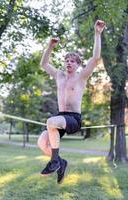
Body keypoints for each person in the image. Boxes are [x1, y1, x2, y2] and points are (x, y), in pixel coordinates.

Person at [37, 20, 105, 184]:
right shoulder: (59, 76)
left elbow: (95, 58)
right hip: (61, 118)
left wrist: (97, 33)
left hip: (73, 119)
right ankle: (60, 162)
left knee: (51, 121)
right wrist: (50, 47)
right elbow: (44, 64)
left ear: (78, 64)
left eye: (72, 60)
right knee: (41, 143)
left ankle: (54, 163)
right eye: (67, 60)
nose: (68, 62)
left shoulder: (81, 77)